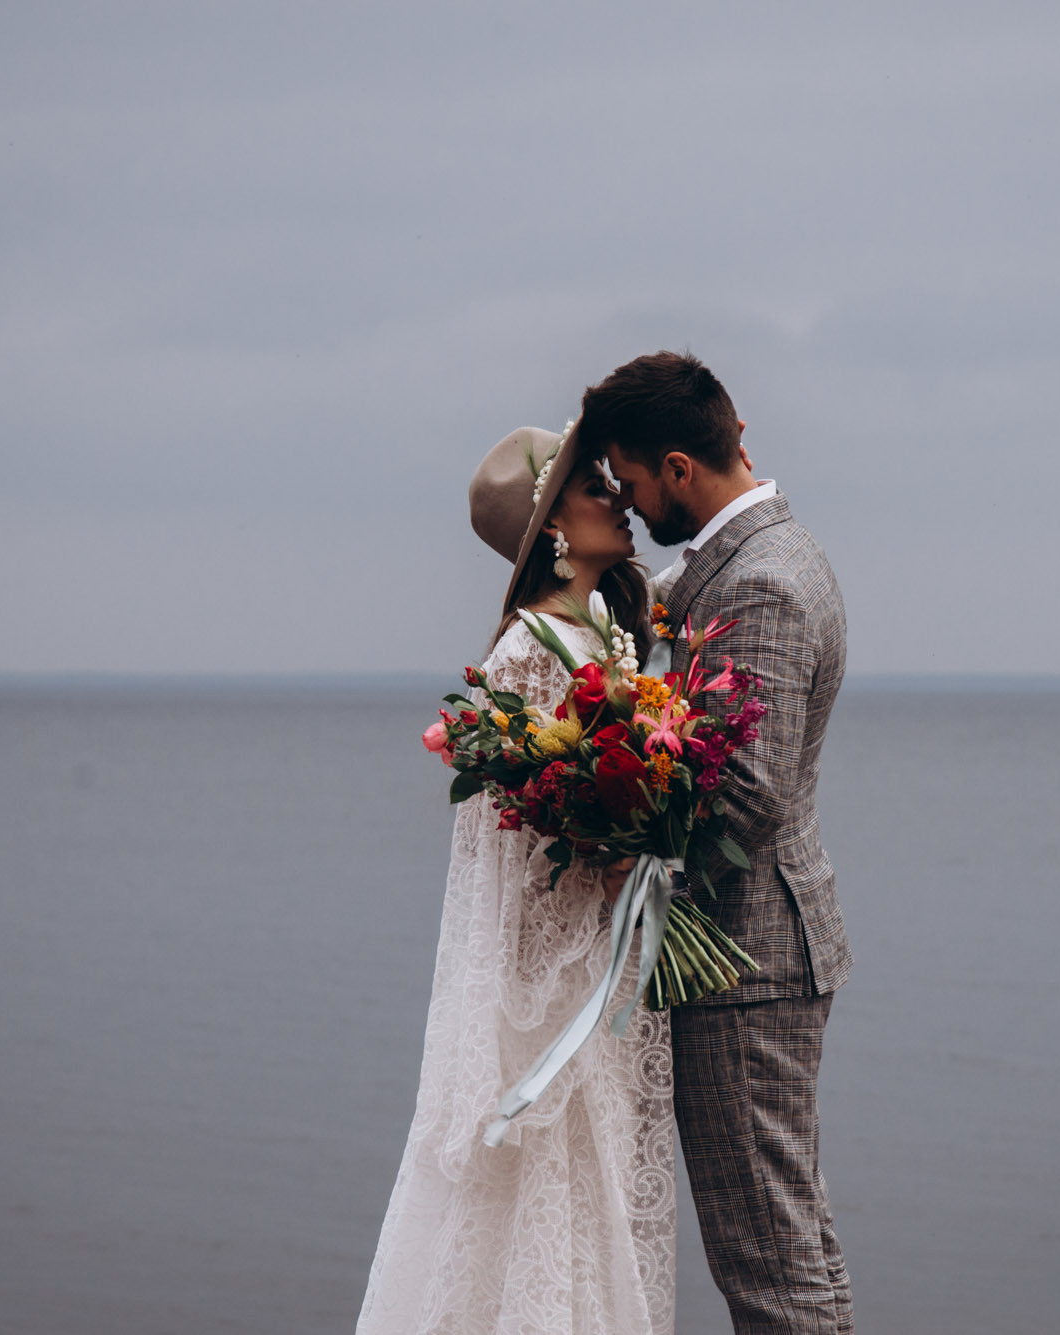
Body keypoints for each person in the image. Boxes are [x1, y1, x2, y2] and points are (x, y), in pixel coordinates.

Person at [355, 422, 675, 1335]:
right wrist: (610, 857)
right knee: (546, 1211)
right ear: (554, 532)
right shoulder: (527, 651)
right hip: (557, 989)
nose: (617, 496)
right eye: (591, 489)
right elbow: (504, 851)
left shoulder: (600, 634)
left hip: (603, 968)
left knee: (597, 1215)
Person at [587, 352, 853, 1334]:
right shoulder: (736, 565)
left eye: (627, 478)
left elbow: (743, 798)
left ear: (679, 469)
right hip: (759, 949)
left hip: (746, 957)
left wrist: (608, 833)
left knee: (767, 1259)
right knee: (791, 1239)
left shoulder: (763, 586)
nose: (624, 498)